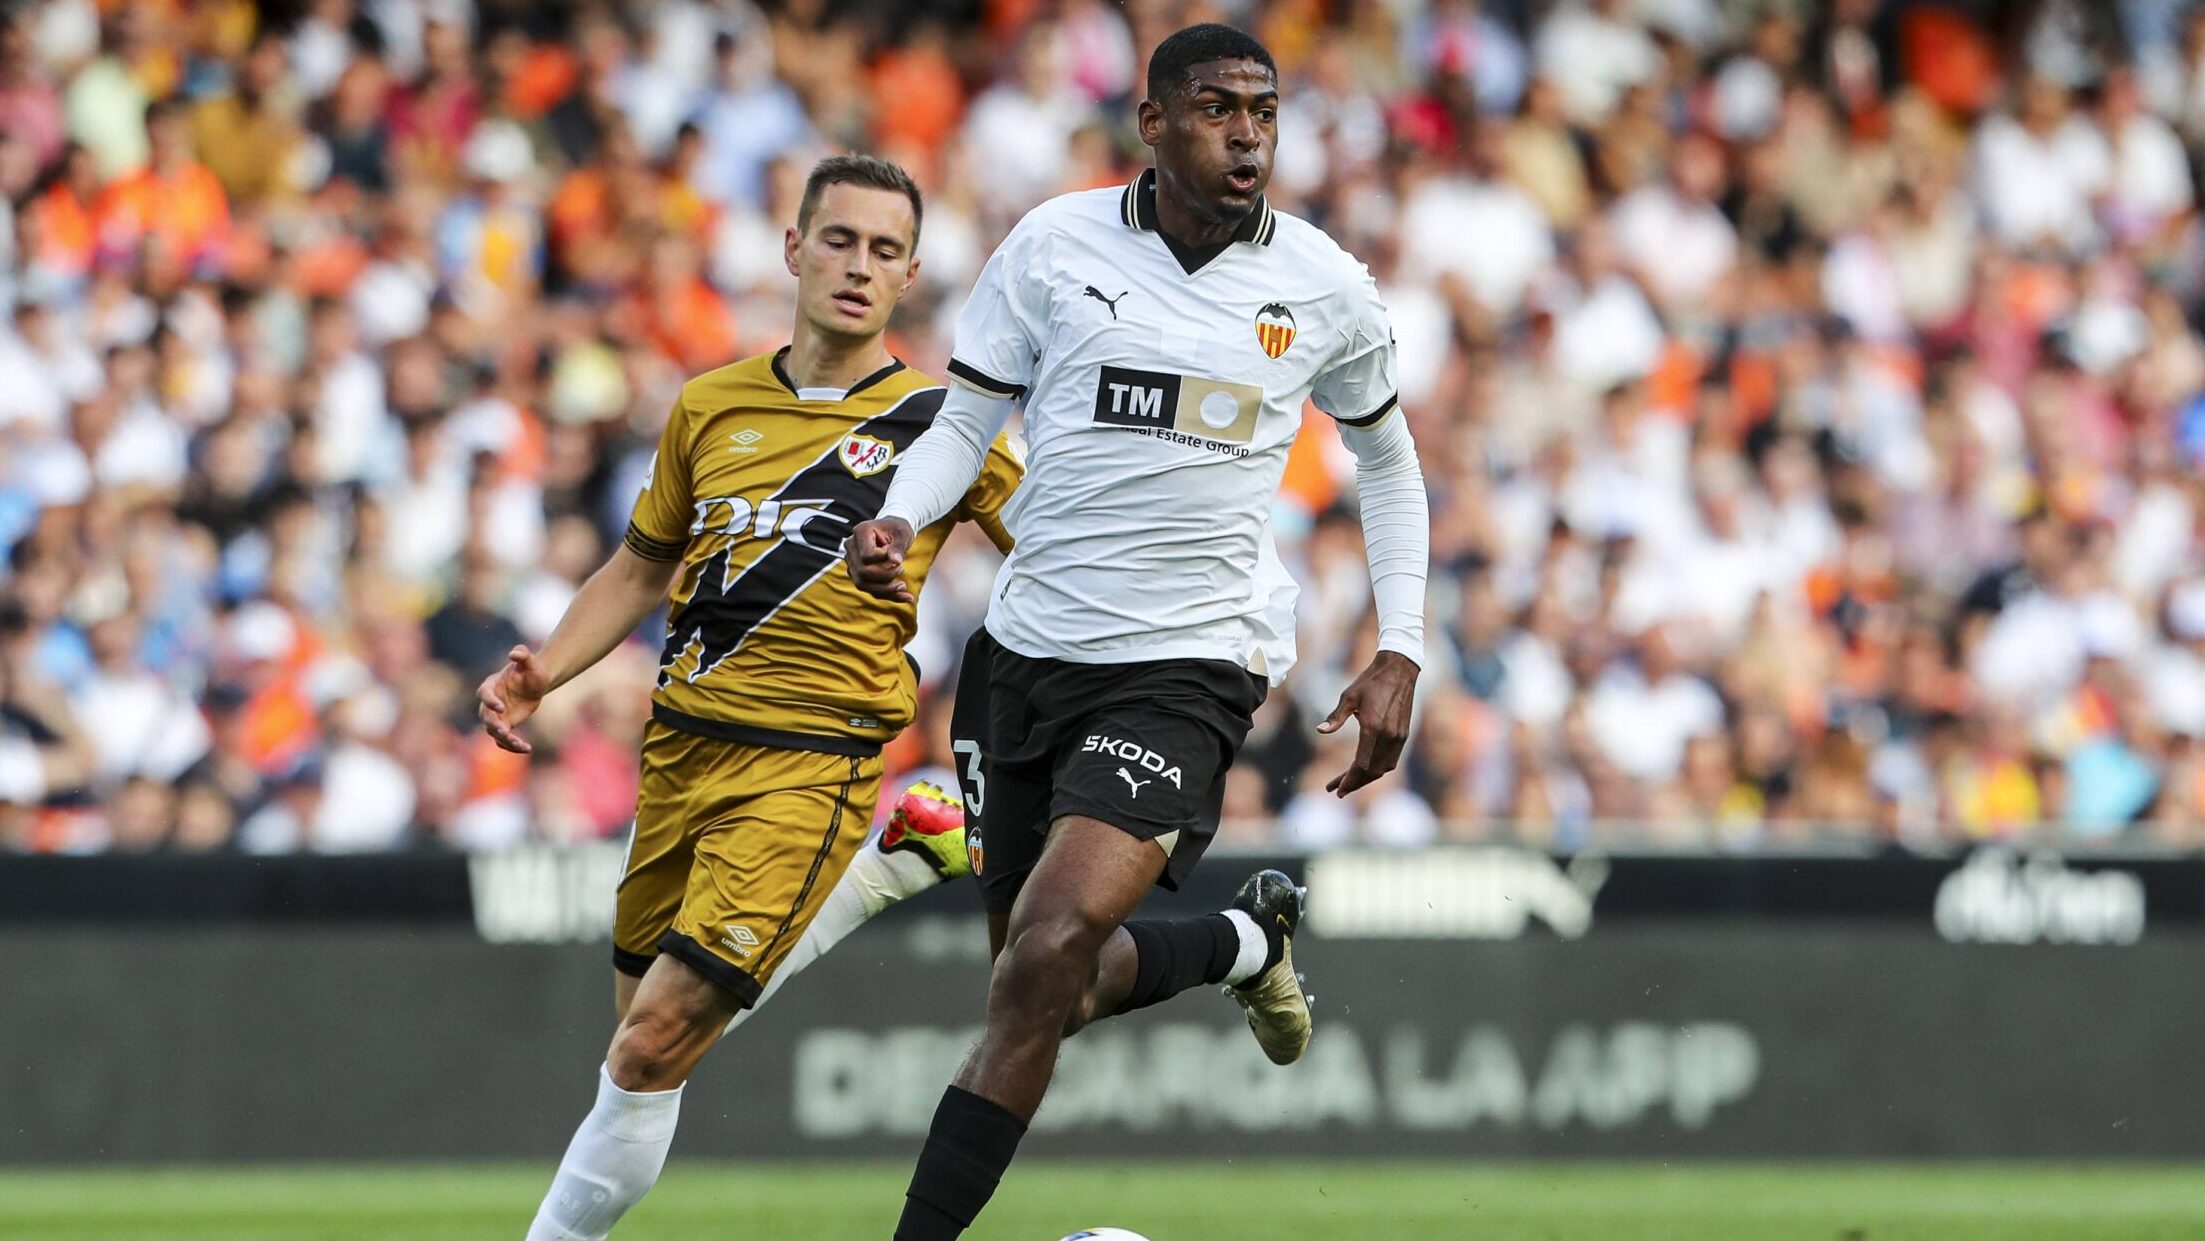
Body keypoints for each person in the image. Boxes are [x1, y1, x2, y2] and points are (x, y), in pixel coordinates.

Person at [844, 24, 1429, 1241]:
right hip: (1024, 654)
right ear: (1152, 123)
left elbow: (1388, 459)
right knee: (1038, 979)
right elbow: (964, 424)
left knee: (1052, 941)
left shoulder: (1321, 284)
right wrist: (898, 517)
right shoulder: (1054, 245)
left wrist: (1402, 640)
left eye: (1264, 110)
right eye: (1217, 108)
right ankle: (1237, 940)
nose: (1249, 133)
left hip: (1186, 665)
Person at [475, 155, 1022, 1241]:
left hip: (812, 756)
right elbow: (640, 564)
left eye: (883, 251)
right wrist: (549, 669)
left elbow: (1055, 548)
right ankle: (889, 868)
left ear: (909, 275)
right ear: (793, 249)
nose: (858, 267)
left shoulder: (941, 423)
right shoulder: (709, 404)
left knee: (652, 1042)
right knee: (643, 1036)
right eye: (839, 240)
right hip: (679, 751)